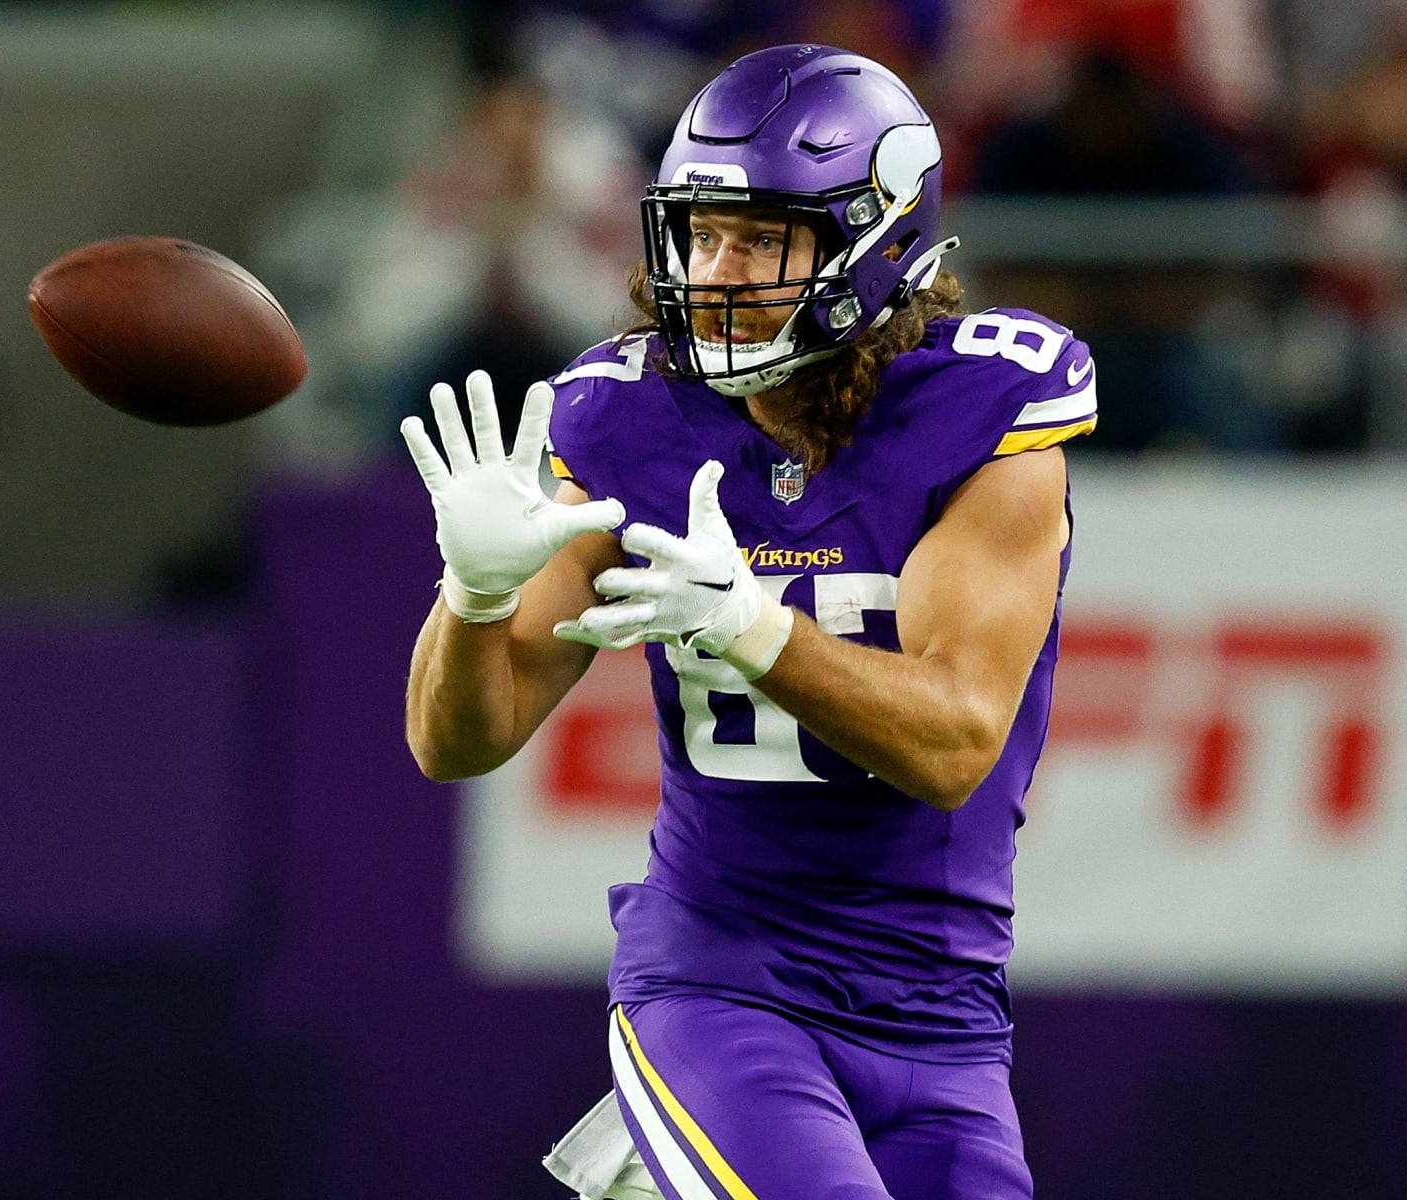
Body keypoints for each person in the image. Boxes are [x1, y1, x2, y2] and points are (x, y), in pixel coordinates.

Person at [402, 44, 1096, 1200]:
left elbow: (955, 740)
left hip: (944, 1015)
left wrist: (749, 626)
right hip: (724, 984)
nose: (717, 272)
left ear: (877, 242)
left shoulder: (989, 410)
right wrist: (469, 600)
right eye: (703, 232)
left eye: (764, 237)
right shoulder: (630, 414)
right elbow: (459, 740)